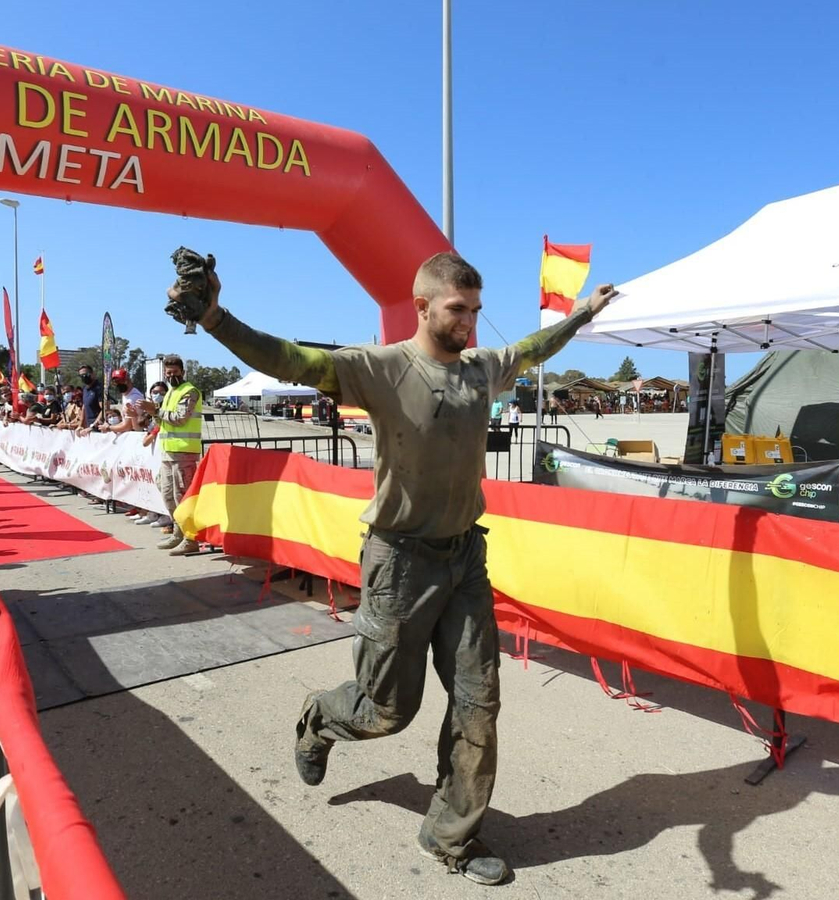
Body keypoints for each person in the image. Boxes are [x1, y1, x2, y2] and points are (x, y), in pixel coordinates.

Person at [178, 250, 617, 885]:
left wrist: (580, 316)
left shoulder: (479, 370)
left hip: (465, 557)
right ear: (422, 306)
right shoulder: (381, 369)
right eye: (457, 309)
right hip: (400, 563)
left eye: (475, 310)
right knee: (385, 709)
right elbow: (292, 360)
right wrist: (217, 318)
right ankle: (320, 720)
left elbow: (529, 350)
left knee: (479, 703)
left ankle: (450, 836)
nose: (469, 321)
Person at [146, 355, 204, 555]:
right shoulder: (171, 393)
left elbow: (180, 418)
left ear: (183, 372)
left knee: (182, 496)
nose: (171, 376)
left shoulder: (190, 391)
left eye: (175, 372)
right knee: (167, 494)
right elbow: (164, 422)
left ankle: (191, 538)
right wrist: (154, 413)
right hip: (168, 452)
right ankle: (179, 532)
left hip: (184, 452)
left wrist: (155, 410)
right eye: (168, 373)